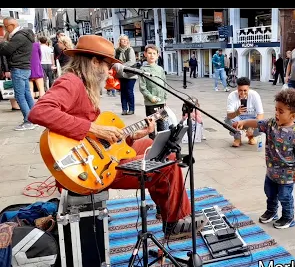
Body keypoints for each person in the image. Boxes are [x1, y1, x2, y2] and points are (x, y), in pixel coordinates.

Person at [27, 35, 205, 238]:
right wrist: (93, 129)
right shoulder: (71, 82)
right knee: (166, 163)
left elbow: (102, 138)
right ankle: (175, 222)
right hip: (85, 166)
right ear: (94, 62)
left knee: (152, 145)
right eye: (108, 65)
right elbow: (39, 112)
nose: (109, 70)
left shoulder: (85, 84)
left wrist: (131, 137)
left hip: (97, 153)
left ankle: (168, 204)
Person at [232, 88, 295, 229]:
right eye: (276, 109)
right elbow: (257, 123)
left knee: (285, 197)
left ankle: (288, 217)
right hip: (271, 172)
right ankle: (272, 212)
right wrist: (244, 122)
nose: (277, 113)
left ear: (293, 116)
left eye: (281, 111)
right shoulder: (271, 124)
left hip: (287, 175)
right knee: (270, 193)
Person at [0, 17, 36, 130]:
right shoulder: (26, 34)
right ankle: (35, 118)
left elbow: (6, 51)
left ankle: (28, 121)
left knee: (20, 96)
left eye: (6, 26)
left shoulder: (19, 36)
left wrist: (2, 42)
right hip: (25, 67)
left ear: (12, 25)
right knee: (26, 94)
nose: (5, 29)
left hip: (18, 68)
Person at [138, 44, 169, 140]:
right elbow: (142, 87)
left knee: (162, 123)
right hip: (150, 102)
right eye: (149, 53)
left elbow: (164, 84)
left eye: (154, 53)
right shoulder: (143, 69)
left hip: (161, 101)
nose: (152, 55)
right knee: (151, 123)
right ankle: (152, 142)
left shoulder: (160, 69)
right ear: (145, 54)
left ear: (157, 55)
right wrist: (150, 97)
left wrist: (165, 98)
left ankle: (161, 142)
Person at [225, 77, 264, 147]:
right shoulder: (232, 96)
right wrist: (236, 112)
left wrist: (252, 127)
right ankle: (237, 137)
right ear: (237, 88)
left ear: (249, 88)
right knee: (227, 120)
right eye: (240, 90)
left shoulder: (255, 95)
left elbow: (260, 114)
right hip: (238, 118)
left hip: (251, 118)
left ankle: (250, 136)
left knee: (262, 123)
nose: (243, 93)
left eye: (245, 90)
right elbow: (229, 115)